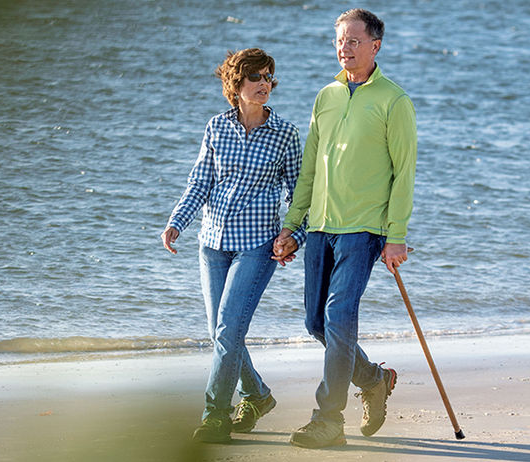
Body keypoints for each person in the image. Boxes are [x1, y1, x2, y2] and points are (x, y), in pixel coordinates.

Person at [272, 8, 417, 449]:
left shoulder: (394, 101)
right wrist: (293, 226)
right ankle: (375, 379)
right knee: (316, 323)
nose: (345, 47)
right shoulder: (326, 96)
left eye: (354, 40)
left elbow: (404, 173)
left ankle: (328, 420)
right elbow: (310, 171)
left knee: (338, 318)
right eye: (340, 40)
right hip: (319, 227)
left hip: (364, 230)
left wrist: (395, 236)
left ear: (375, 46)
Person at [162, 48, 305, 444]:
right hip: (212, 244)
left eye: (269, 77)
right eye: (255, 77)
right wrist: (177, 222)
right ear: (236, 85)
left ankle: (215, 416)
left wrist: (295, 234)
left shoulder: (285, 135)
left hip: (258, 247)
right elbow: (200, 183)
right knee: (220, 333)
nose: (264, 84)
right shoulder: (216, 127)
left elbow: (300, 196)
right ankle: (257, 395)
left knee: (227, 331)